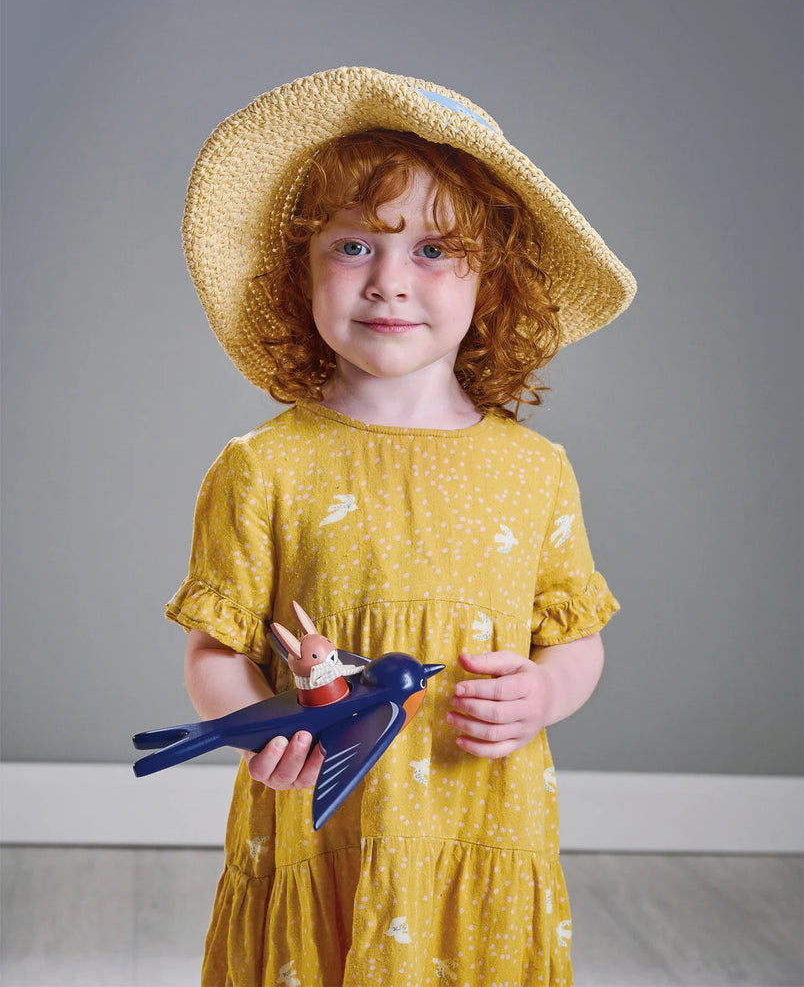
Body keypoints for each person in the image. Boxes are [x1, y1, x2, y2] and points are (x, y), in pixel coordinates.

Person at [169, 67, 636, 986]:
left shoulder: (534, 471)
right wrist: (258, 730)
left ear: (491, 282)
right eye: (352, 247)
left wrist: (543, 695)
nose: (388, 281)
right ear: (297, 272)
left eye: (432, 251)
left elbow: (575, 640)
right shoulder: (263, 466)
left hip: (481, 825)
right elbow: (213, 651)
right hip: (323, 825)